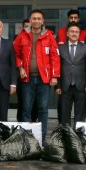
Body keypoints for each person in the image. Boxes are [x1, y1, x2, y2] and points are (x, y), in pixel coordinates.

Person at [14, 9, 60, 140]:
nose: (36, 21)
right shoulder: (22, 35)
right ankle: (26, 138)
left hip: (43, 79)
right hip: (26, 78)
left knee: (43, 109)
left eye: (39, 18)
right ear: (30, 20)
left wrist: (54, 75)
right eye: (34, 18)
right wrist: (20, 67)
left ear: (43, 21)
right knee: (26, 109)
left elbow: (55, 56)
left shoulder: (49, 36)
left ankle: (41, 138)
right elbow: (15, 54)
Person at [56, 24, 86, 127]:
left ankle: (78, 137)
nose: (74, 34)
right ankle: (66, 136)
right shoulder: (60, 48)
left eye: (76, 32)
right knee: (64, 114)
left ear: (79, 34)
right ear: (67, 34)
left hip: (81, 85)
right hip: (64, 86)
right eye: (72, 31)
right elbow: (57, 67)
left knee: (80, 114)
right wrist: (58, 85)